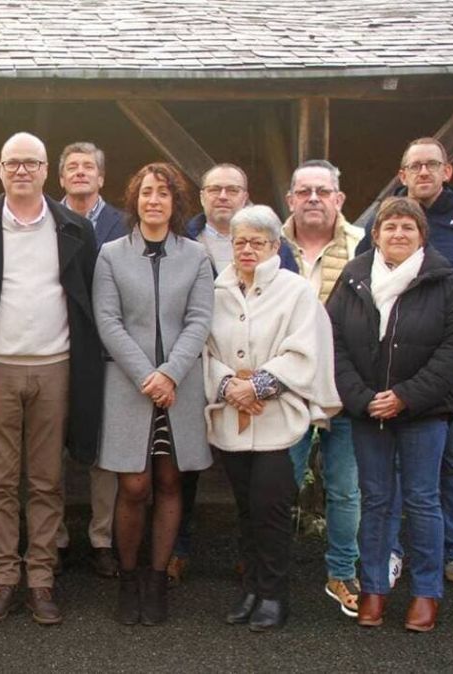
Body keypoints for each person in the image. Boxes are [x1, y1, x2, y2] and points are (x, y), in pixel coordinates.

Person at [0, 132, 102, 626]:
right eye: (12, 162)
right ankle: (3, 577)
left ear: (44, 171)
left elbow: (86, 296)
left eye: (31, 163)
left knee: (46, 479)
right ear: (0, 168)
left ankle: (40, 578)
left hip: (56, 366)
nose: (21, 171)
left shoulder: (75, 229)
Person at [330, 196, 453, 632]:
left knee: (423, 500)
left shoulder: (445, 281)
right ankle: (374, 589)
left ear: (421, 235)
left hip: (423, 411)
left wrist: (406, 395)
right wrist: (360, 396)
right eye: (389, 226)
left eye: (407, 227)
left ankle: (426, 593)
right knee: (375, 501)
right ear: (375, 235)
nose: (398, 233)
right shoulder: (354, 276)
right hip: (367, 410)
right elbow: (333, 341)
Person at [358, 138, 453, 594]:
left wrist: (446, 350)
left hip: (452, 373)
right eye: (414, 165)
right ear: (401, 174)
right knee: (396, 469)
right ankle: (394, 553)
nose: (423, 172)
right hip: (391, 375)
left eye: (431, 165)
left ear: (447, 171)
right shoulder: (380, 226)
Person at [204, 205, 341, 632]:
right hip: (231, 417)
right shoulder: (215, 291)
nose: (247, 250)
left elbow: (306, 350)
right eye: (239, 241)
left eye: (257, 242)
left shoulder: (296, 291)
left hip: (279, 420)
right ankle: (252, 587)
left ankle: (274, 595)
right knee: (246, 510)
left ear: (275, 246)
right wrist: (227, 385)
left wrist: (259, 386)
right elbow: (203, 349)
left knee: (272, 508)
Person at [93, 162, 213, 625]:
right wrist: (148, 375)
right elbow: (108, 321)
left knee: (169, 482)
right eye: (146, 193)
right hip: (129, 384)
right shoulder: (111, 255)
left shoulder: (197, 256)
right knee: (133, 483)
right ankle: (129, 579)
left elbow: (200, 320)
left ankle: (158, 580)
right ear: (134, 200)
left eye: (163, 193)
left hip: (179, 387)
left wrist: (171, 374)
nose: (154, 201)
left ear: (175, 202)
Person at [170, 163, 299, 583]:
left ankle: (254, 561)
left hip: (261, 394)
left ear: (246, 196)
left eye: (232, 189)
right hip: (196, 372)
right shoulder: (182, 242)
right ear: (202, 196)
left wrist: (255, 385)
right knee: (184, 469)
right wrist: (223, 381)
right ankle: (177, 548)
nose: (222, 196)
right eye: (214, 189)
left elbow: (291, 319)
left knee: (255, 488)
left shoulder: (281, 257)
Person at [280, 159, 365, 617]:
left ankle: (341, 572)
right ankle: (269, 568)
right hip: (288, 386)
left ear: (339, 199)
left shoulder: (360, 246)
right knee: (280, 481)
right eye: (304, 191)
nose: (313, 198)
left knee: (345, 487)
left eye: (322, 190)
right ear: (290, 199)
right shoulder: (271, 245)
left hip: (344, 384)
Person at [57, 141, 127, 578]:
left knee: (105, 450)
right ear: (60, 178)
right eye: (72, 167)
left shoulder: (123, 225)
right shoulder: (45, 220)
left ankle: (103, 539)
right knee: (52, 449)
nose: (81, 172)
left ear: (101, 178)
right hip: (56, 347)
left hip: (106, 353)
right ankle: (56, 538)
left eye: (89, 167)